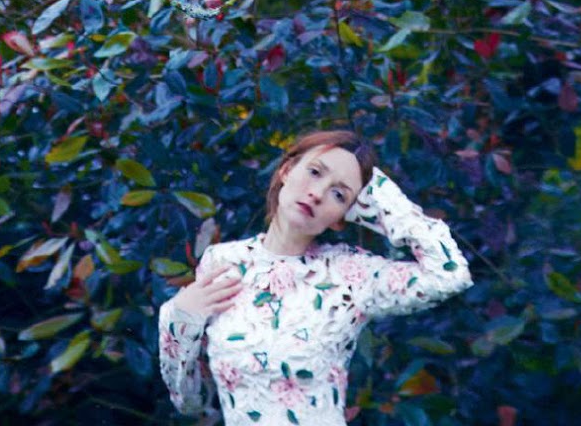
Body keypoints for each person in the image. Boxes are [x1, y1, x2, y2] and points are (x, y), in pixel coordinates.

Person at [158, 128, 471, 423]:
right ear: (286, 170)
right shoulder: (223, 262)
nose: (318, 193)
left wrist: (385, 199)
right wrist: (179, 317)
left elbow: (450, 275)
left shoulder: (351, 275)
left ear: (344, 217)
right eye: (315, 172)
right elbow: (191, 401)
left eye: (339, 195)